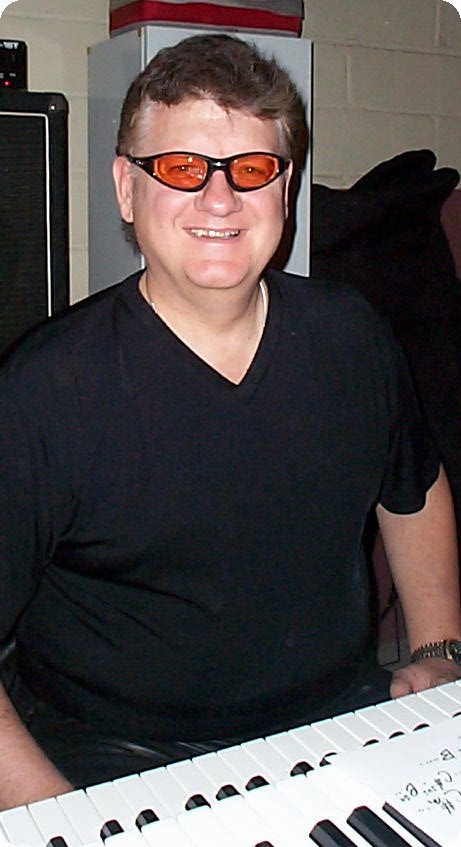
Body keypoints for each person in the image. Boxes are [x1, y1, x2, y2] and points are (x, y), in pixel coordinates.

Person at [0, 32, 460, 812]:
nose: (220, 200)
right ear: (125, 188)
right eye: (183, 168)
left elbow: (411, 491)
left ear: (286, 191)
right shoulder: (42, 390)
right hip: (116, 751)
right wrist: (61, 815)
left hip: (335, 718)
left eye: (251, 170)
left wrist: (438, 650)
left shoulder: (351, 335)